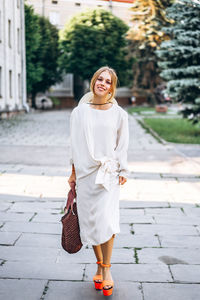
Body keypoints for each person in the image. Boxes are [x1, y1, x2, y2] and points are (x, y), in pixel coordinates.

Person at [68, 66, 129, 296]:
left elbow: (122, 144)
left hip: (109, 174)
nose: (102, 83)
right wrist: (73, 173)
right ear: (93, 81)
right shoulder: (79, 112)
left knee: (108, 221)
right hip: (86, 174)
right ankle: (98, 265)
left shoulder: (119, 113)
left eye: (108, 81)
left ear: (112, 87)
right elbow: (73, 145)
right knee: (92, 223)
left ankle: (106, 270)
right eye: (99, 79)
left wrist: (124, 169)